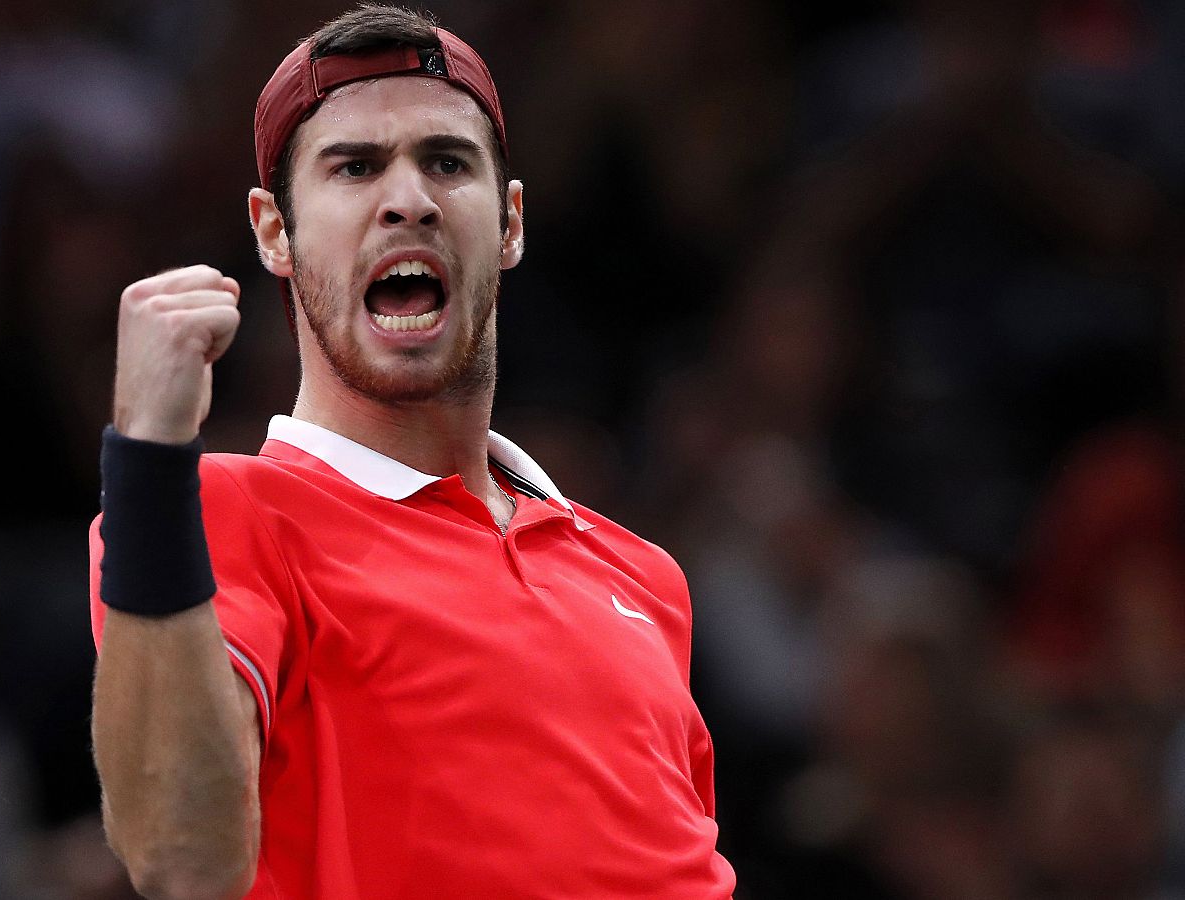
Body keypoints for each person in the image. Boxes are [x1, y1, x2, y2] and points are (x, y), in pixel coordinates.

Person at [85, 5, 736, 898]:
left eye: (447, 162)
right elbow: (181, 860)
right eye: (354, 168)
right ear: (275, 232)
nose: (410, 198)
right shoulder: (214, 511)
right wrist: (151, 457)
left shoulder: (644, 576)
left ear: (509, 222)